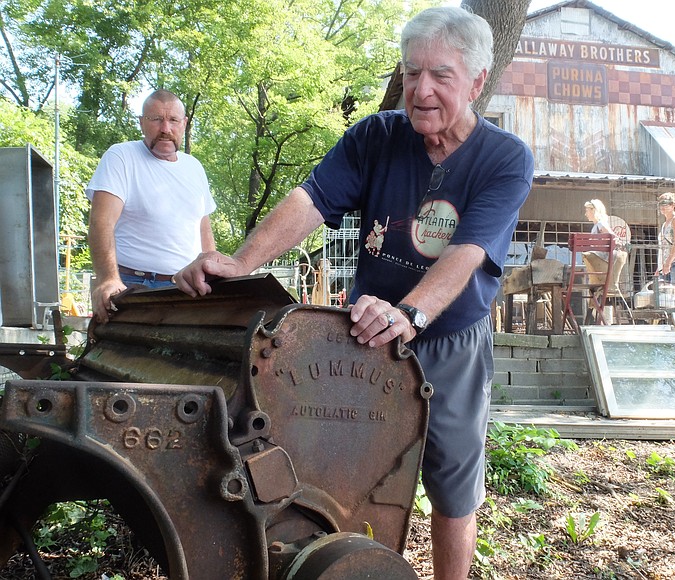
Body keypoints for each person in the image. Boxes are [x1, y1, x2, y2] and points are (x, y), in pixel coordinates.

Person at [174, 6, 534, 578]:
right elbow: (311, 200)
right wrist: (240, 262)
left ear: (476, 80)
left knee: (452, 483)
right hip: (365, 333)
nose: (421, 90)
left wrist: (411, 311)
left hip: (449, 341)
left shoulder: (505, 158)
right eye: (412, 72)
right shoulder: (375, 136)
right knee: (340, 463)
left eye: (440, 75)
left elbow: (468, 252)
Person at [86, 89, 217, 323]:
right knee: (120, 357)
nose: (165, 129)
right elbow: (101, 222)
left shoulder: (194, 167)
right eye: (156, 119)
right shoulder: (121, 157)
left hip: (184, 290)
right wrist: (107, 279)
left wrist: (211, 273)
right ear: (141, 123)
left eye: (173, 120)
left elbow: (202, 227)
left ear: (184, 123)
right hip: (129, 287)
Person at [581, 199, 628, 294]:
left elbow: (612, 236)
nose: (586, 214)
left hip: (601, 256)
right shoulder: (597, 225)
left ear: (593, 211)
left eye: (587, 211)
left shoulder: (600, 224)